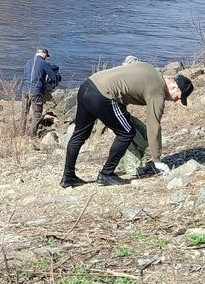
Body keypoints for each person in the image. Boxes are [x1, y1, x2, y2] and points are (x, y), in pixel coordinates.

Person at [60, 61, 194, 188]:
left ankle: (68, 177)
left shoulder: (151, 70)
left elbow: (126, 85)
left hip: (87, 85)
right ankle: (106, 174)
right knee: (127, 132)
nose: (176, 101)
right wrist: (157, 159)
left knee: (80, 134)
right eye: (179, 96)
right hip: (103, 96)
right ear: (174, 86)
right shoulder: (157, 92)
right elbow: (154, 125)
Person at [22, 47, 61, 137]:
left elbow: (24, 76)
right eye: (46, 56)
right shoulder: (44, 63)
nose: (46, 57)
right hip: (36, 91)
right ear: (43, 54)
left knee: (24, 112)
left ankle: (21, 132)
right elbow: (53, 77)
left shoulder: (28, 62)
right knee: (37, 115)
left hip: (25, 90)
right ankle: (32, 136)